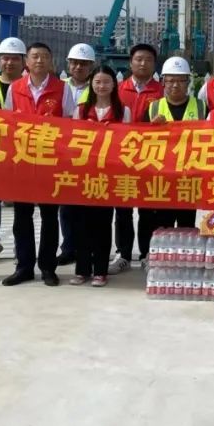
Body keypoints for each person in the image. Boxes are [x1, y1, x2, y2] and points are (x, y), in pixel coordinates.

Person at [3, 42, 65, 287]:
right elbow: (7, 122)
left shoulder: (63, 89)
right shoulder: (15, 88)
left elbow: (72, 123)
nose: (40, 61)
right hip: (23, 160)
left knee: (50, 216)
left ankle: (48, 267)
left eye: (45, 56)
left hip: (51, 160)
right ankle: (24, 266)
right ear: (27, 62)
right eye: (35, 56)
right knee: (22, 215)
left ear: (51, 61)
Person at [107, 43, 165, 275]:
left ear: (154, 64)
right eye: (138, 59)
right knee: (122, 209)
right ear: (130, 62)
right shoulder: (118, 90)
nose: (143, 63)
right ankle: (122, 254)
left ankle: (146, 253)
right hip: (122, 157)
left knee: (148, 209)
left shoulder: (161, 92)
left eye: (148, 60)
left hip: (151, 157)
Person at [70, 65, 128, 287]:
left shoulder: (123, 111)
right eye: (97, 82)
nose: (102, 86)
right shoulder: (81, 110)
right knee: (81, 223)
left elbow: (128, 141)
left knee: (103, 223)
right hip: (85, 173)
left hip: (110, 173)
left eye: (106, 82)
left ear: (114, 85)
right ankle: (82, 269)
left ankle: (100, 270)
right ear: (91, 84)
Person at [142, 56, 205, 248]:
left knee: (187, 224)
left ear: (188, 82)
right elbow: (141, 140)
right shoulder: (153, 108)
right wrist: (153, 128)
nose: (175, 85)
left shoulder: (201, 107)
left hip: (190, 176)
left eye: (180, 80)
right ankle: (160, 256)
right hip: (162, 177)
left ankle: (184, 256)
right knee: (163, 223)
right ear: (163, 82)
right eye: (170, 80)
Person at [0, 36, 26, 264]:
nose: (9, 63)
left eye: (14, 59)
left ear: (23, 61)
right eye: (5, 58)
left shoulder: (29, 87)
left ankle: (22, 248)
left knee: (22, 204)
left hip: (22, 150)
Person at [57, 42, 96, 267]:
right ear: (68, 64)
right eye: (75, 63)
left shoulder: (99, 87)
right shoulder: (60, 87)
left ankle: (87, 248)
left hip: (91, 155)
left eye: (84, 63)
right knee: (66, 206)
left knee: (89, 206)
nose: (79, 67)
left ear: (91, 66)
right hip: (64, 154)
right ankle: (68, 247)